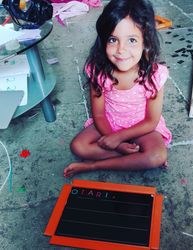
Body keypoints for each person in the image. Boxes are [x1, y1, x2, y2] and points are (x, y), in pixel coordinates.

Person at [64, 0, 172, 178]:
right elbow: (99, 115)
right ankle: (137, 157)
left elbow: (151, 121)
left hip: (142, 127)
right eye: (113, 40)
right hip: (110, 122)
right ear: (103, 40)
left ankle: (93, 166)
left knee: (157, 156)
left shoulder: (154, 75)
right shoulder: (98, 71)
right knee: (78, 146)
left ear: (146, 42)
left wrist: (120, 138)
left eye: (131, 40)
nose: (121, 50)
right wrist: (117, 142)